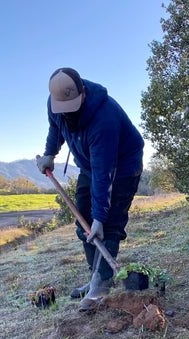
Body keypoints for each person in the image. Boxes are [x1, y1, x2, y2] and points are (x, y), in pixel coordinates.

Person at [37, 67, 144, 311]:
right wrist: (50, 154)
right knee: (83, 220)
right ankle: (93, 275)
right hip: (89, 165)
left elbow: (105, 174)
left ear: (83, 92)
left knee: (108, 224)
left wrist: (99, 218)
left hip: (122, 167)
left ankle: (101, 284)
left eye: (72, 108)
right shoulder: (55, 104)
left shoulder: (104, 119)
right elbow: (56, 127)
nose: (68, 114)